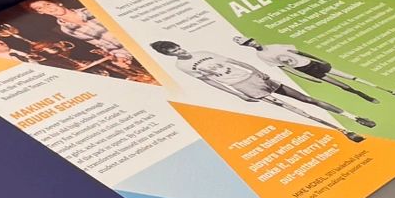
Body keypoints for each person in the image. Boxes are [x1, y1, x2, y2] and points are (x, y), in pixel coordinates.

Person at [149, 39, 373, 135]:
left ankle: (353, 117)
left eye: (176, 47)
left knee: (306, 99)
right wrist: (238, 95)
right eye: (173, 52)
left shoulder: (202, 52)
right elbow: (209, 81)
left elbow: (235, 61)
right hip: (243, 86)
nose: (178, 51)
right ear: (168, 55)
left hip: (255, 77)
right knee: (298, 111)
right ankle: (344, 132)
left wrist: (257, 71)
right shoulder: (182, 66)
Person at [232, 32, 395, 105]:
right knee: (343, 86)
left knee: (351, 76)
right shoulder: (262, 56)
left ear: (254, 39)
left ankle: (390, 91)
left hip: (314, 64)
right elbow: (286, 68)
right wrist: (306, 77)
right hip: (307, 71)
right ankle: (362, 95)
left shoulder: (275, 46)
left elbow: (299, 52)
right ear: (246, 47)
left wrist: (319, 59)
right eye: (248, 44)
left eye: (250, 40)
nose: (252, 43)